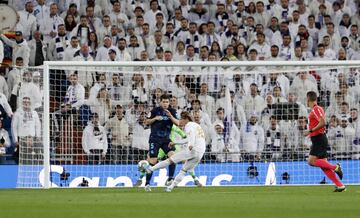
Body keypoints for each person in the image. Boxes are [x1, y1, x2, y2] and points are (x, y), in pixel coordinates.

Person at [142, 111, 206, 192]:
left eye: (181, 119)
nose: (180, 121)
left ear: (186, 119)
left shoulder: (188, 125)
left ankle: (151, 169)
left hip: (193, 149)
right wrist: (175, 142)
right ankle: (170, 187)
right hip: (200, 152)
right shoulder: (196, 125)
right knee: (184, 170)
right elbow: (188, 139)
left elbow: (191, 137)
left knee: (170, 160)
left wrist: (191, 144)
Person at [304, 91, 345, 192]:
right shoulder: (316, 109)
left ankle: (335, 167)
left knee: (311, 161)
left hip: (319, 139)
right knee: (323, 165)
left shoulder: (316, 109)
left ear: (308, 99)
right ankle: (340, 185)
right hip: (318, 139)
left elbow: (323, 122)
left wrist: (311, 130)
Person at [142, 94, 179, 192]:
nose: (166, 104)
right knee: (153, 161)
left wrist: (170, 116)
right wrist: (155, 119)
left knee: (173, 157)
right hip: (155, 139)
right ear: (160, 102)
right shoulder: (154, 111)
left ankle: (170, 178)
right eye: (164, 102)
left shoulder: (172, 111)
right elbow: (146, 122)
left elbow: (178, 123)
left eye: (167, 102)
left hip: (166, 139)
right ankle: (147, 184)